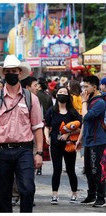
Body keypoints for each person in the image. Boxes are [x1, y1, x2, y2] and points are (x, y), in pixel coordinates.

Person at [0, 55, 43, 213]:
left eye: (14, 71)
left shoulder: (31, 98)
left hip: (24, 150)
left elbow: (37, 127)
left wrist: (39, 152)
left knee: (28, 189)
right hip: (2, 150)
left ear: (20, 73)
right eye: (8, 71)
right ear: (3, 74)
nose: (11, 73)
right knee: (4, 193)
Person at [44, 86, 81, 205]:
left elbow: (80, 128)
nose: (62, 94)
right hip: (55, 145)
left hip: (70, 145)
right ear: (56, 94)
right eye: (60, 92)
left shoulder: (73, 112)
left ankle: (74, 194)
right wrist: (46, 137)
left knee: (70, 170)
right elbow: (46, 126)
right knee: (57, 169)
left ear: (68, 95)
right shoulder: (52, 111)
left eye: (64, 93)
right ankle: (54, 195)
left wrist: (68, 134)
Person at [76, 75, 106, 207]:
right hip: (88, 141)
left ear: (94, 87)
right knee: (88, 170)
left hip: (98, 141)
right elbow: (84, 122)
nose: (83, 90)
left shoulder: (100, 102)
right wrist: (80, 139)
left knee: (96, 170)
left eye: (86, 86)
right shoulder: (90, 100)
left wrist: (83, 102)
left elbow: (86, 116)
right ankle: (91, 195)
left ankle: (101, 198)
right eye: (83, 86)